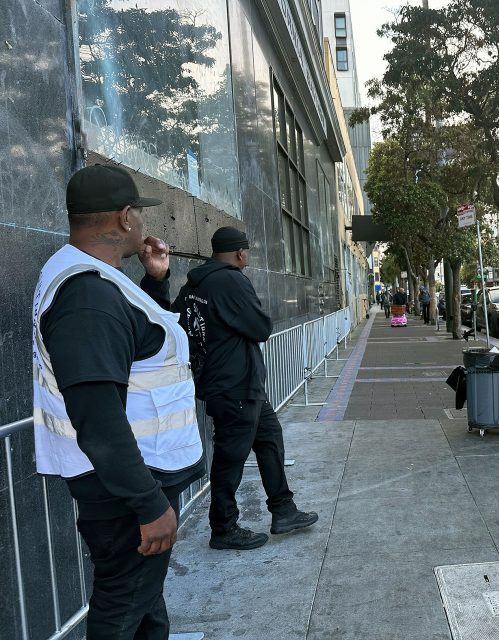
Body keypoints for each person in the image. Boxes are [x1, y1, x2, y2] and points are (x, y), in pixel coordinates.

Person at [33, 164, 205, 639]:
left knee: (143, 606)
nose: (144, 225)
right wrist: (149, 504)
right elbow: (97, 415)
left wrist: (155, 282)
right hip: (127, 488)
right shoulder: (86, 294)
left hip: (130, 480)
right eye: (141, 215)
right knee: (123, 608)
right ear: (126, 218)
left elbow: (137, 348)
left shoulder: (96, 278)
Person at [173, 226, 318, 550]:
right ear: (240, 252)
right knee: (230, 458)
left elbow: (181, 324)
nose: (248, 257)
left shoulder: (194, 284)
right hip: (235, 386)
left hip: (235, 386)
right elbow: (261, 327)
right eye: (247, 252)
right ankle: (223, 527)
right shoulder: (231, 279)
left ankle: (284, 509)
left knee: (269, 438)